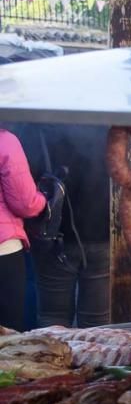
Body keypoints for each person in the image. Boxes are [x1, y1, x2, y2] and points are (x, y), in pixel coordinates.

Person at [9, 123, 112, 328]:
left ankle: (50, 359)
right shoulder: (107, 123)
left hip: (52, 236)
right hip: (101, 232)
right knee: (96, 323)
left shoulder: (32, 127)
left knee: (52, 318)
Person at [0, 128, 46, 330]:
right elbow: (25, 202)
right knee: (8, 338)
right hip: (4, 251)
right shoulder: (5, 140)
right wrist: (45, 200)